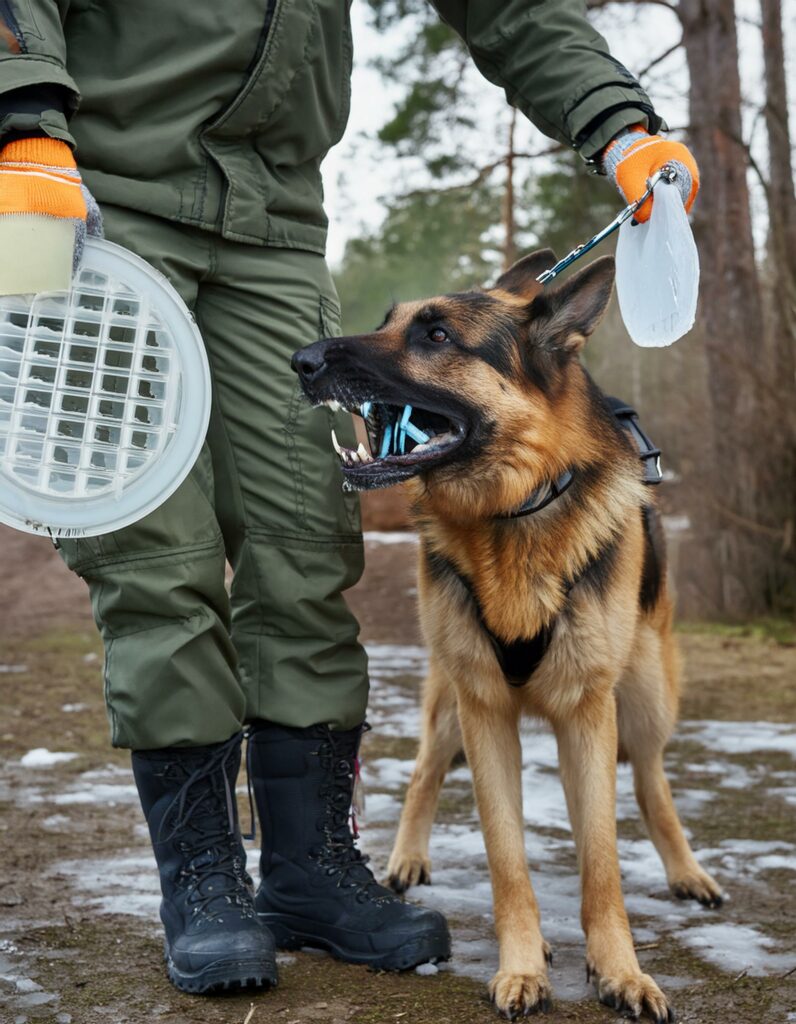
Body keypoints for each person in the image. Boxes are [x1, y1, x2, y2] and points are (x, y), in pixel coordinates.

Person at [0, 0, 699, 997]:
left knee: (302, 538)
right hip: (96, 191)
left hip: (273, 219)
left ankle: (309, 865)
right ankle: (204, 878)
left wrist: (618, 124)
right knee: (159, 556)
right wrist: (22, 116)